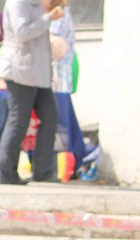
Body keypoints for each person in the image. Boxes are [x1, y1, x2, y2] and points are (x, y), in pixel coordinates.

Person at [0, 0, 64, 185]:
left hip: (39, 74)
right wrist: (48, 18)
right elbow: (22, 32)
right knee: (19, 121)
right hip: (20, 72)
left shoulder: (38, 3)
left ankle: (43, 170)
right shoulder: (18, 3)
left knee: (50, 115)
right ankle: (6, 172)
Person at [50, 2, 87, 171]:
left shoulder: (58, 15)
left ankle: (65, 167)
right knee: (67, 122)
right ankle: (77, 159)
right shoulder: (63, 13)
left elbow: (54, 45)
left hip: (57, 78)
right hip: (60, 78)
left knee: (61, 125)